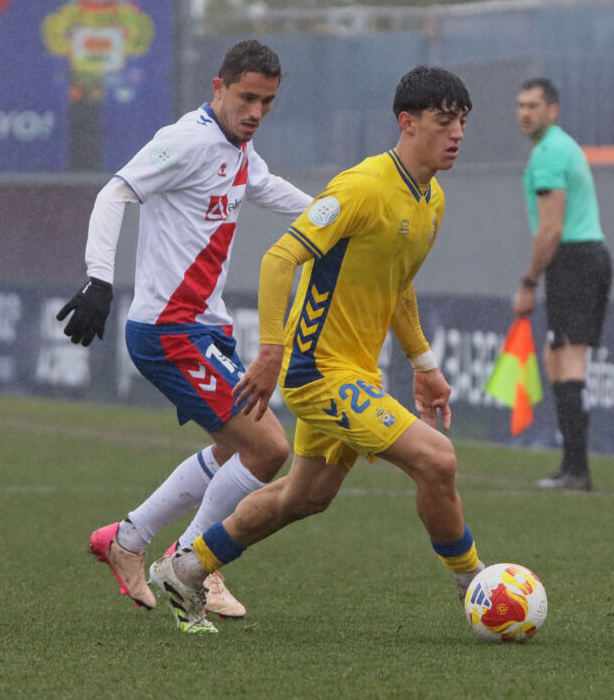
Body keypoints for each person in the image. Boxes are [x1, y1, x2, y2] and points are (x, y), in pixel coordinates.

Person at [145, 65, 485, 634]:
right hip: (319, 373)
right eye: (443, 121)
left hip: (356, 373)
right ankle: (477, 584)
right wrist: (272, 351)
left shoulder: (431, 201)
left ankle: (186, 567)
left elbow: (396, 285)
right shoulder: (363, 186)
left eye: (462, 123)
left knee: (303, 499)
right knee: (438, 460)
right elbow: (280, 258)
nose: (456, 134)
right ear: (408, 122)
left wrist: (423, 365)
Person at [56, 39, 312, 622]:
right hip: (170, 330)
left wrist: (341, 217)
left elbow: (269, 191)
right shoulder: (187, 140)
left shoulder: (240, 150)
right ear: (218, 88)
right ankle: (191, 560)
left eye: (267, 102)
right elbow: (114, 191)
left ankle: (127, 538)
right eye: (247, 97)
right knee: (271, 447)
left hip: (204, 329)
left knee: (233, 448)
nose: (256, 112)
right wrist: (100, 279)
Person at [511, 77, 613, 491]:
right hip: (578, 259)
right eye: (520, 105)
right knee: (558, 361)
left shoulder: (550, 152)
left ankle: (577, 470)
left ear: (553, 110)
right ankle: (572, 464)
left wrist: (528, 282)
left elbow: (550, 229)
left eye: (534, 105)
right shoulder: (555, 148)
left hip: (573, 258)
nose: (525, 112)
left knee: (569, 360)